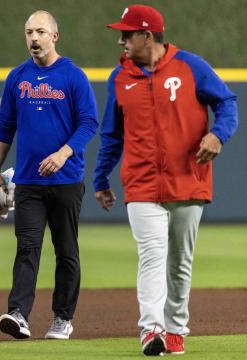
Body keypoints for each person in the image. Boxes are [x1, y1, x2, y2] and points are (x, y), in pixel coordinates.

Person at [94, 4, 238, 356]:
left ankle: (175, 329)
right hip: (141, 182)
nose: (121, 40)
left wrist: (218, 135)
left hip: (188, 178)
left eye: (127, 34)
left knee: (180, 262)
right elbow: (112, 135)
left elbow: (228, 103)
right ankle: (151, 331)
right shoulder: (120, 77)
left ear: (147, 35)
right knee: (153, 254)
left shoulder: (191, 66)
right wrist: (100, 177)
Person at [0, 10, 98, 341]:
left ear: (54, 36)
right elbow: (5, 126)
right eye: (28, 32)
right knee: (27, 248)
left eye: (40, 31)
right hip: (27, 182)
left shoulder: (73, 76)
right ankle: (18, 313)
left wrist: (63, 153)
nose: (33, 38)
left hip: (66, 179)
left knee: (66, 250)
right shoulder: (17, 77)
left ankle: (62, 318)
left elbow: (89, 123)